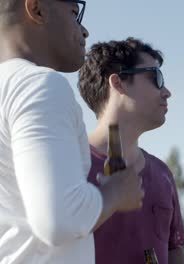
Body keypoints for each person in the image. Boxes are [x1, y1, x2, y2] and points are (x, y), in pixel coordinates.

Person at [0, 1, 144, 263]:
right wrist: (116, 192)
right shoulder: (37, 85)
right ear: (37, 9)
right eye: (74, 14)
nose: (85, 30)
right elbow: (59, 219)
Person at [78, 37, 184, 264]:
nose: (167, 92)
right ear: (118, 83)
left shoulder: (162, 174)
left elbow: (174, 250)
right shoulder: (70, 165)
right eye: (156, 78)